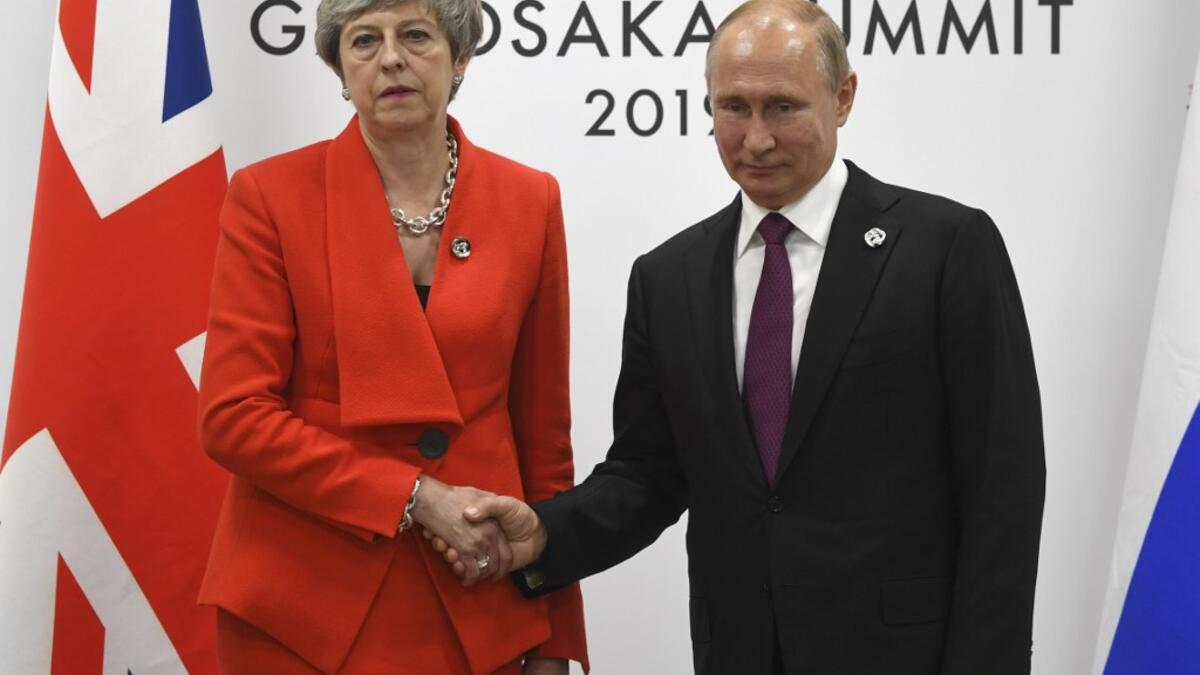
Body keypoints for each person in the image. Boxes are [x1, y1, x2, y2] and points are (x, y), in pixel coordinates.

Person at [437, 1, 1045, 673]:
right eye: (733, 108)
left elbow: (1002, 483)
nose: (755, 139)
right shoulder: (668, 277)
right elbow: (648, 474)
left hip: (905, 654)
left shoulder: (946, 248)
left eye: (782, 107)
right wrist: (545, 533)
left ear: (843, 97)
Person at [195, 0, 587, 673]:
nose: (391, 59)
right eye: (364, 41)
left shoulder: (532, 200)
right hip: (302, 608)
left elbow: (543, 438)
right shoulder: (269, 195)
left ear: (459, 57)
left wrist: (553, 634)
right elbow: (233, 417)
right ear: (340, 71)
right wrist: (414, 496)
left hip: (477, 604)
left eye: (414, 35)